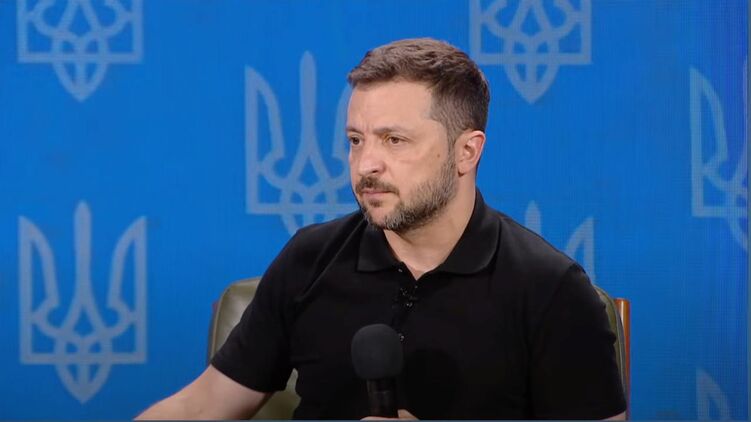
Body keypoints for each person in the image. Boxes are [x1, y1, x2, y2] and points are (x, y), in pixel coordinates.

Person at [137, 38, 626, 420]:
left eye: (394, 140)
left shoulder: (550, 290)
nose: (366, 164)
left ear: (467, 152)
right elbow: (201, 407)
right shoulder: (310, 259)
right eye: (356, 140)